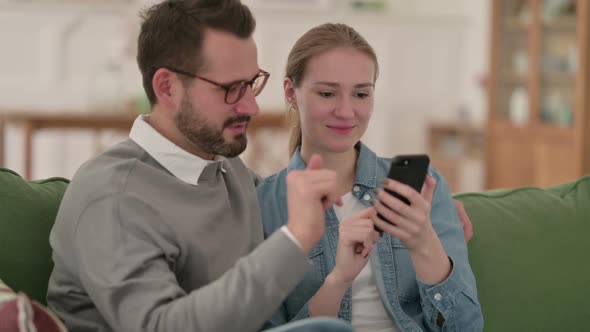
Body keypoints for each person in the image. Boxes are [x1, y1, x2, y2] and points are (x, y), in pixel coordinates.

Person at [46, 1, 351, 331]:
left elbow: (287, 223)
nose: (252, 106)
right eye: (232, 88)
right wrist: (295, 238)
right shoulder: (113, 197)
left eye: (252, 83)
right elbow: (161, 326)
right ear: (167, 87)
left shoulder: (224, 168)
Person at [257, 23, 484, 331]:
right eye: (327, 93)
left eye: (361, 93)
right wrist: (339, 279)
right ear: (290, 93)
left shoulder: (424, 188)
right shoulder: (262, 206)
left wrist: (423, 244)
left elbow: (466, 327)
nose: (347, 111)